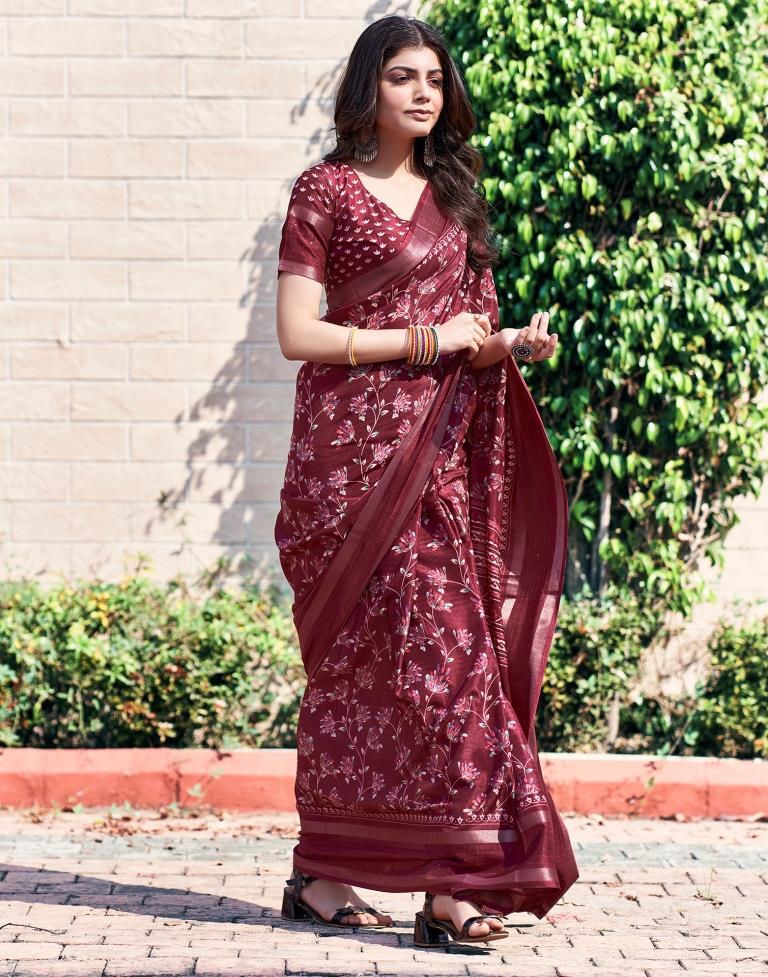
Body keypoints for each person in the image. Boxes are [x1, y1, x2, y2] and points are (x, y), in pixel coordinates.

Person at [273, 13, 578, 948]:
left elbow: (468, 332)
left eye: (435, 80)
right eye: (402, 76)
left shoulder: (456, 197)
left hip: (438, 464)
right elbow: (299, 333)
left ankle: (455, 881)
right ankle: (325, 873)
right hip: (349, 467)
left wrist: (506, 342)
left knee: (455, 659)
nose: (421, 93)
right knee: (361, 665)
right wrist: (419, 341)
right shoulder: (324, 191)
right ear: (369, 86)